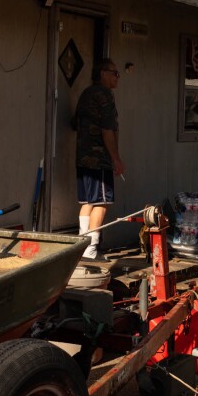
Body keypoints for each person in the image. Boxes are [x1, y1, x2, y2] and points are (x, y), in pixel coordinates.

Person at [74, 58, 125, 260]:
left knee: (88, 201)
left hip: (82, 154)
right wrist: (116, 158)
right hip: (98, 156)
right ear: (102, 73)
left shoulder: (86, 94)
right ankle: (91, 249)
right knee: (102, 201)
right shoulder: (104, 95)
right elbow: (107, 129)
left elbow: (74, 122)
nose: (117, 77)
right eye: (114, 73)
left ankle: (82, 246)